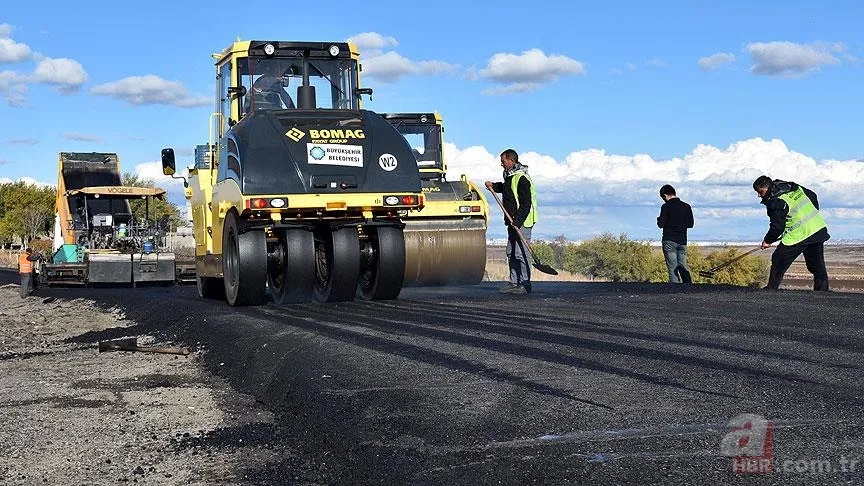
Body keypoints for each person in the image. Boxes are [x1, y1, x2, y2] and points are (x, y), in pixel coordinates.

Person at [753, 175, 829, 291]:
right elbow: (813, 196)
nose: (759, 195)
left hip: (799, 235)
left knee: (778, 259)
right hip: (817, 229)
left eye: (760, 192)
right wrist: (813, 214)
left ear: (767, 188)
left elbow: (777, 227)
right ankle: (823, 293)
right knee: (817, 266)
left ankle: (771, 290)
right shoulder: (793, 187)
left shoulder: (776, 202)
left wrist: (768, 241)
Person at [484, 149, 538, 294]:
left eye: (503, 161)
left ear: (511, 161)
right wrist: (494, 186)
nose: (501, 164)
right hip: (512, 222)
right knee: (511, 252)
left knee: (521, 253)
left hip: (523, 223)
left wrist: (517, 222)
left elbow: (526, 204)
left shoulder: (522, 179)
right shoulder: (510, 177)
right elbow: (506, 189)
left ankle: (525, 284)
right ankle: (514, 282)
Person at [656, 184, 694, 283]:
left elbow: (661, 224)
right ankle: (689, 288)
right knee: (683, 266)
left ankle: (675, 290)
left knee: (672, 269)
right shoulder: (686, 206)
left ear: (665, 195)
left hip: (669, 240)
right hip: (682, 241)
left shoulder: (665, 207)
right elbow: (690, 224)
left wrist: (659, 219)